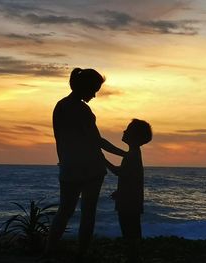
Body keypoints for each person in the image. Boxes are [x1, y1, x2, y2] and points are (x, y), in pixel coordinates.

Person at [46, 68, 125, 259]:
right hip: (90, 170)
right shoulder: (82, 110)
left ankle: (48, 252)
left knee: (64, 211)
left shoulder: (60, 106)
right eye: (94, 89)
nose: (95, 95)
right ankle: (81, 254)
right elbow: (96, 142)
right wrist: (125, 154)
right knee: (88, 214)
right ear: (85, 87)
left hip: (68, 167)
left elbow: (80, 143)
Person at [106, 119, 152, 263]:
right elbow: (131, 177)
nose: (124, 131)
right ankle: (134, 256)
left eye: (128, 130)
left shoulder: (132, 155)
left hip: (129, 202)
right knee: (133, 231)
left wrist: (102, 159)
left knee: (129, 232)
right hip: (132, 199)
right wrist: (120, 191)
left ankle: (133, 257)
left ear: (135, 136)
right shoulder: (134, 153)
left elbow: (119, 172)